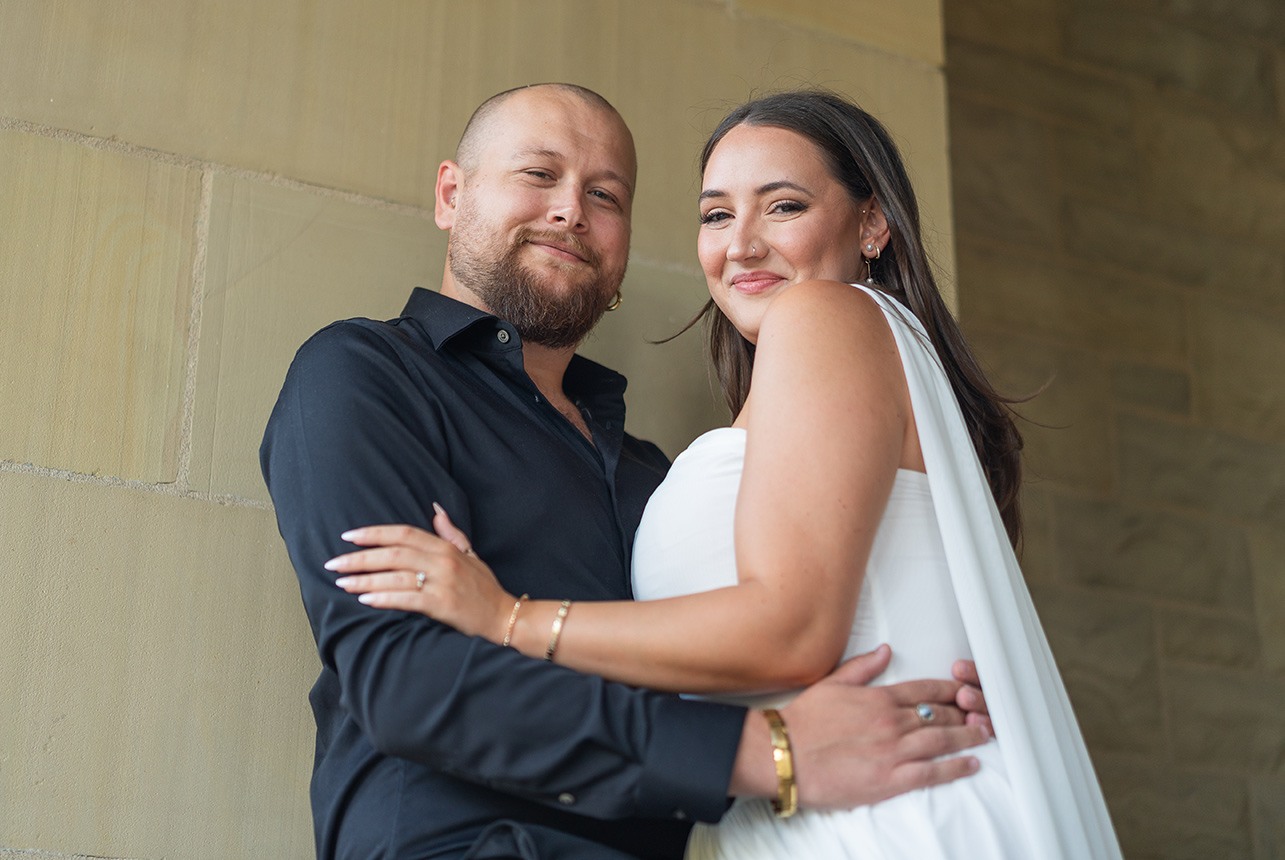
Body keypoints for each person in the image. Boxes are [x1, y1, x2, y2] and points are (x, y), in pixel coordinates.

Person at [331, 91, 1124, 858]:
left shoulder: (823, 316)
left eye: (782, 205)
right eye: (716, 214)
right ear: (451, 193)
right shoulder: (375, 374)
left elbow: (791, 628)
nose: (740, 243)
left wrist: (507, 617)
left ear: (872, 222)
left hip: (887, 814)